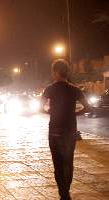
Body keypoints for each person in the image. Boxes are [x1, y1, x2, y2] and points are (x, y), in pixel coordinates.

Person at [40, 59, 91, 200]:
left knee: (57, 164)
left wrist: (52, 113)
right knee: (68, 162)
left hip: (54, 131)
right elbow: (88, 107)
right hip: (69, 132)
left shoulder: (49, 89)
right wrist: (74, 113)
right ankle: (66, 192)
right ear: (67, 72)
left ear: (55, 72)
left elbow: (40, 108)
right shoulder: (75, 89)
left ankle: (62, 194)